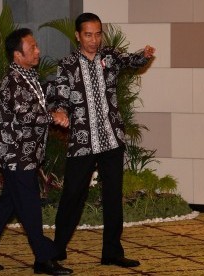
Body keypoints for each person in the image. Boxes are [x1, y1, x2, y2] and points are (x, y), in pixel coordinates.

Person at [48, 12, 155, 267]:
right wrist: (61, 111)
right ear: (77, 35)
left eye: (98, 34)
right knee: (72, 196)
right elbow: (60, 96)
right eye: (88, 34)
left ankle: (112, 253)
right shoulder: (67, 65)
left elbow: (132, 60)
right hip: (83, 142)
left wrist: (145, 54)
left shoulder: (110, 56)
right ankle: (57, 250)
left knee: (113, 197)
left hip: (111, 139)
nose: (94, 40)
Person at [0, 28, 72, 275]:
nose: (38, 51)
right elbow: (26, 114)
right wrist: (53, 116)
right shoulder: (11, 81)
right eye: (32, 47)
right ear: (17, 54)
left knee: (7, 206)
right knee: (30, 207)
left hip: (27, 154)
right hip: (17, 156)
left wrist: (60, 98)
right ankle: (44, 258)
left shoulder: (27, 75)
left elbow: (41, 98)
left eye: (36, 46)